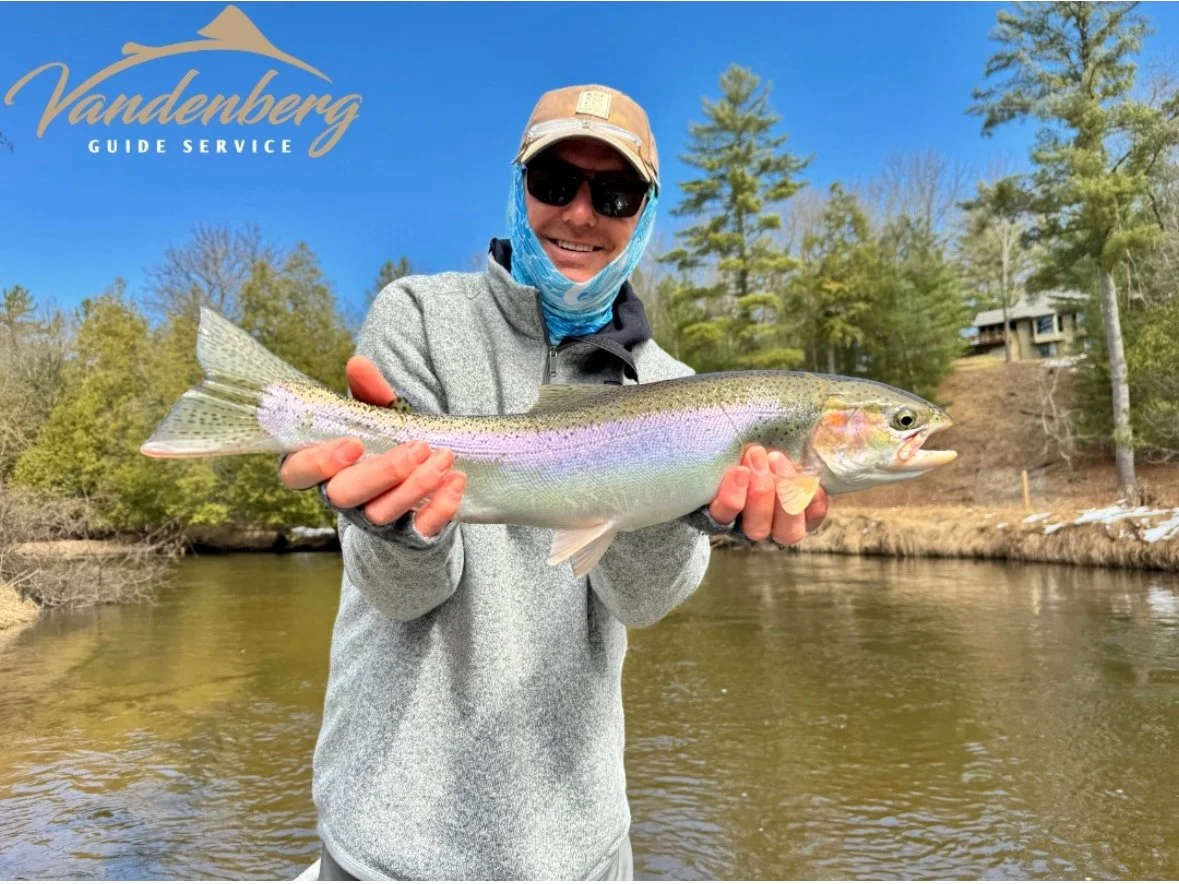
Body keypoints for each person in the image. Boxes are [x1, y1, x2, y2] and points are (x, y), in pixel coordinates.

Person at [280, 84, 829, 881]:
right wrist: (399, 525)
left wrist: (684, 512)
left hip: (579, 850)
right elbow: (399, 596)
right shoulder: (419, 317)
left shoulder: (673, 386)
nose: (579, 214)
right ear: (516, 187)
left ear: (643, 212)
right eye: (553, 183)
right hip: (390, 846)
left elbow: (639, 602)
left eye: (613, 193)